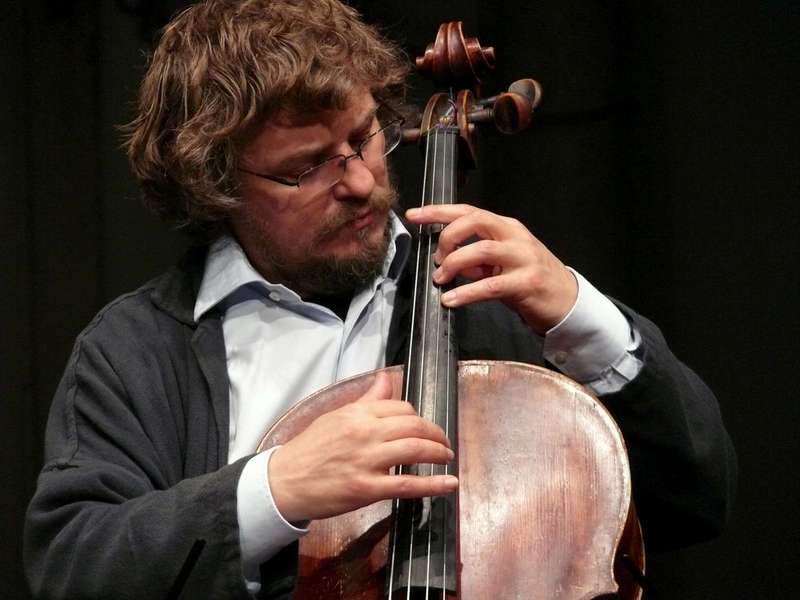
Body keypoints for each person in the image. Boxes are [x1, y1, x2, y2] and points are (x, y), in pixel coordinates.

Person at [24, 1, 736, 598]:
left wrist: (582, 315)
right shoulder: (137, 349)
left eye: (365, 136)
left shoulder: (494, 307)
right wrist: (274, 489)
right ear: (216, 185)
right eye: (307, 168)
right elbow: (72, 565)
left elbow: (697, 499)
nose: (362, 183)